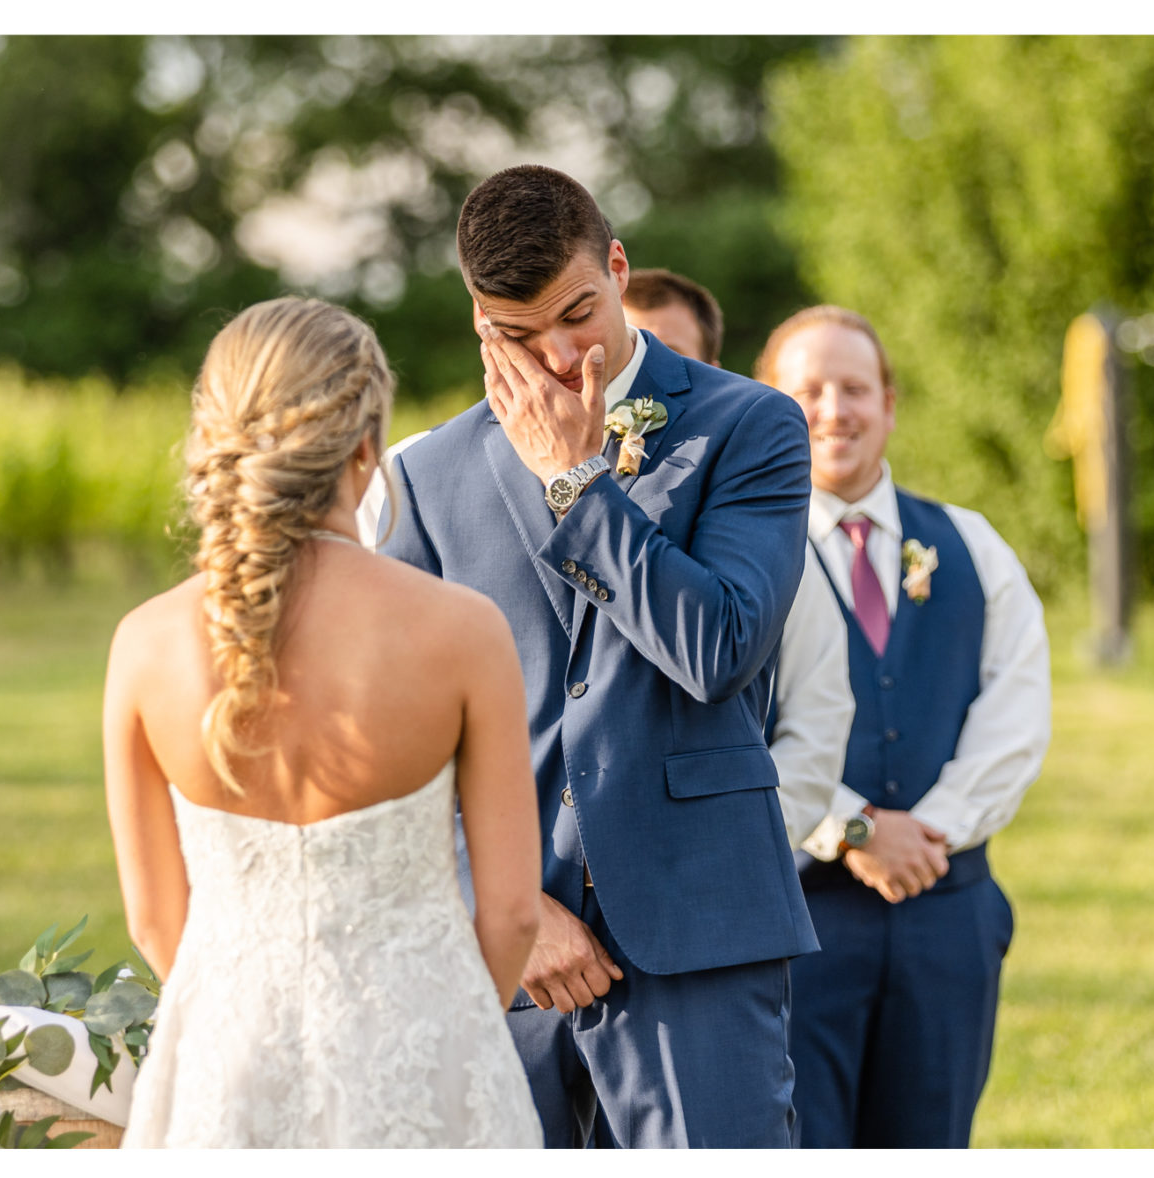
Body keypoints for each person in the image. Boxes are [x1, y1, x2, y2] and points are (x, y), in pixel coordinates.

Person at [379, 165, 819, 1148]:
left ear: (615, 269)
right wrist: (509, 904)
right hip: (505, 957)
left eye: (576, 313)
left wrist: (577, 483)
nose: (555, 354)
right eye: (514, 333)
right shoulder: (425, 475)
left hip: (696, 932)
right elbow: (397, 747)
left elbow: (718, 647)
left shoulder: (749, 426)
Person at [104, 297, 544, 1148]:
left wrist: (241, 995)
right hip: (426, 1054)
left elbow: (156, 921)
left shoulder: (143, 644)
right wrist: (441, 1028)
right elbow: (515, 913)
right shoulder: (462, 631)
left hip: (227, 1060)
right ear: (367, 444)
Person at [754, 305, 1051, 1149]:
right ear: (768, 404)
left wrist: (931, 834)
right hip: (802, 924)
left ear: (890, 402)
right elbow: (731, 724)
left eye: (855, 388)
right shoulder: (741, 558)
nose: (833, 410)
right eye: (807, 390)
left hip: (946, 912)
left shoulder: (971, 543)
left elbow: (1017, 708)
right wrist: (849, 829)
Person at [623, 269, 853, 849]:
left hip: (712, 852)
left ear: (710, 374)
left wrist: (739, 847)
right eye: (625, 352)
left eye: (665, 358)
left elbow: (817, 718)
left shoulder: (762, 533)